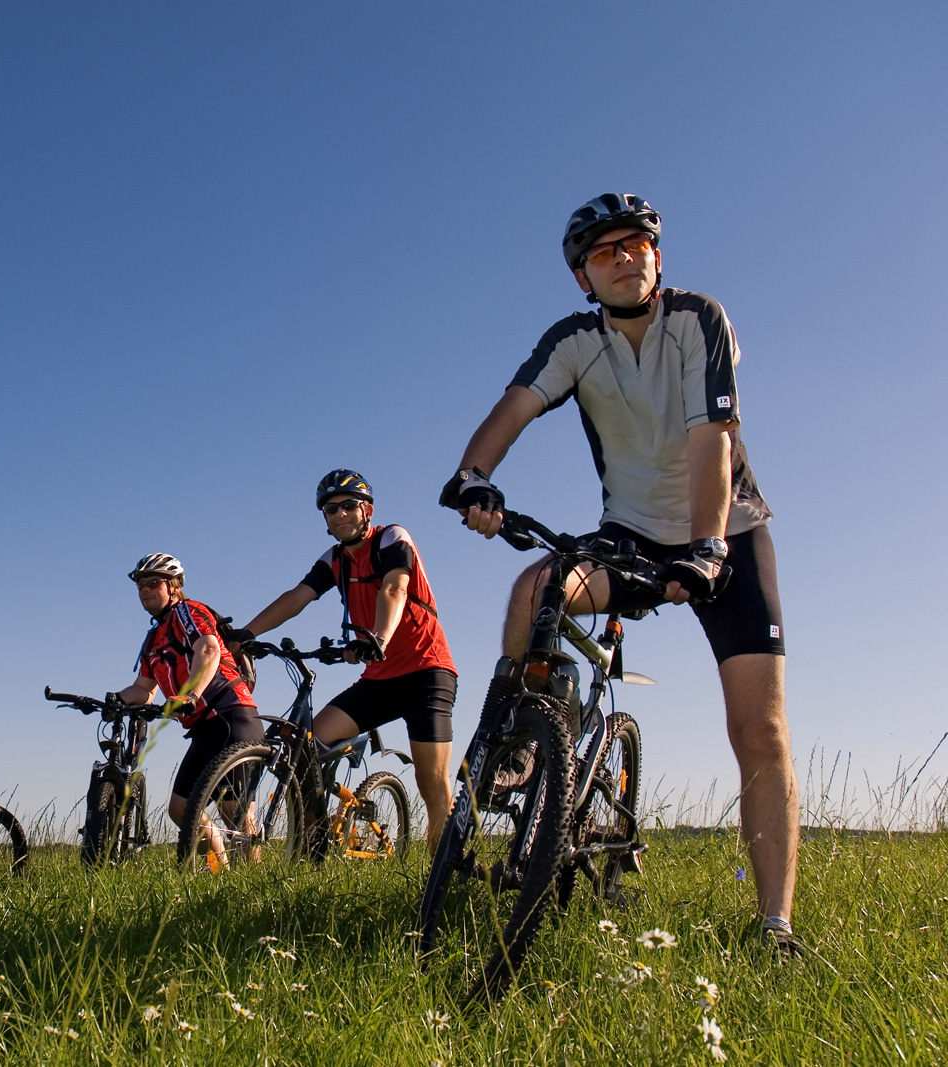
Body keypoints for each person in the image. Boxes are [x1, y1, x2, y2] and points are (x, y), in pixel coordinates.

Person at [439, 193, 802, 955]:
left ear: (657, 256)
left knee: (759, 728)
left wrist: (706, 548)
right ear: (583, 276)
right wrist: (474, 474)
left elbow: (714, 441)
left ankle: (775, 923)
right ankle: (532, 743)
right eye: (605, 251)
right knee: (534, 590)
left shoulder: (700, 318)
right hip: (630, 536)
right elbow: (512, 408)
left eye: (637, 244)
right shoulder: (575, 340)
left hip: (726, 533)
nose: (625, 257)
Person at [238, 469, 458, 854]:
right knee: (305, 745)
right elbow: (297, 596)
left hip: (427, 671)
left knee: (432, 783)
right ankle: (314, 844)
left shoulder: (392, 538)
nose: (339, 514)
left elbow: (395, 587)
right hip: (379, 680)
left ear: (367, 510)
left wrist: (378, 638)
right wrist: (246, 634)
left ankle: (442, 875)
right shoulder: (335, 560)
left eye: (348, 506)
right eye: (329, 509)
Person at [107, 553, 263, 864]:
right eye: (140, 585)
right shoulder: (154, 636)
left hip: (231, 714)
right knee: (181, 809)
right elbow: (143, 689)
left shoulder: (187, 612)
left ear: (175, 587)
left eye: (153, 583)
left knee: (236, 814)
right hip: (203, 727)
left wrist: (189, 695)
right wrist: (112, 700)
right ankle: (220, 876)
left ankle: (256, 888)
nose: (144, 590)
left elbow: (209, 648)